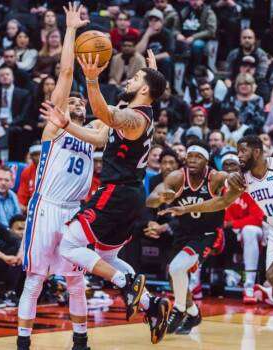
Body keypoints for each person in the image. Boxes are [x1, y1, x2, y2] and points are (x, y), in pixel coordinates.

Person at [46, 25, 170, 345]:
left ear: (144, 90)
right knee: (108, 257)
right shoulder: (137, 110)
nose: (128, 79)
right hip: (127, 196)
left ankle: (127, 286)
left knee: (69, 247)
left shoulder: (134, 118)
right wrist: (67, 125)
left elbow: (103, 113)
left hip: (116, 193)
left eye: (135, 79)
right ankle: (152, 304)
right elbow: (100, 135)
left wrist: (90, 78)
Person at [16, 6, 98, 350]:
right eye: (73, 102)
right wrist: (70, 32)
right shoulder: (55, 126)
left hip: (73, 211)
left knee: (76, 282)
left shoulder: (95, 130)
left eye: (81, 102)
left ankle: (80, 341)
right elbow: (66, 73)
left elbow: (123, 114)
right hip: (47, 208)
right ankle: (23, 342)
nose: (76, 103)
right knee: (35, 280)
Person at [162, 135, 273, 316]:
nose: (239, 156)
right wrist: (185, 209)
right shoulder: (244, 179)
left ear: (256, 152)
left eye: (243, 151)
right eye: (237, 151)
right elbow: (221, 202)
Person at [146, 140, 226, 335]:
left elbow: (230, 184)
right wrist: (161, 197)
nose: (192, 160)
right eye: (190, 156)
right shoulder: (177, 177)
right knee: (175, 276)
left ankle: (179, 309)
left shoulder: (214, 178)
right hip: (184, 233)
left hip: (208, 234)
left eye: (198, 157)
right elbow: (150, 201)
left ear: (207, 160)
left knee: (177, 268)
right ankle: (193, 312)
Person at [221, 153, 265, 304]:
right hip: (228, 232)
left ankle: (249, 286)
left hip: (254, 230)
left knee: (249, 231)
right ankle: (194, 285)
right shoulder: (218, 187)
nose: (229, 168)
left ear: (240, 168)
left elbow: (257, 218)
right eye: (225, 165)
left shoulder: (250, 186)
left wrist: (233, 224)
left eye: (232, 165)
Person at [0, 66, 33, 161]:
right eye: (2, 75)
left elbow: (24, 115)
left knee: (14, 133)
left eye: (7, 74)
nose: (5, 77)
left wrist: (9, 123)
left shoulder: (23, 94)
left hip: (15, 125)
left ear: (12, 77)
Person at [135, 8, 174, 83]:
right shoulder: (144, 32)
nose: (153, 23)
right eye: (151, 20)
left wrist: (152, 59)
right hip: (145, 61)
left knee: (167, 60)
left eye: (156, 20)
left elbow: (169, 53)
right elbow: (137, 52)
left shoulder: (167, 34)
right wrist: (147, 35)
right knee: (137, 59)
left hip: (160, 60)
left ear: (162, 22)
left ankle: (166, 84)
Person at [17, 144, 41, 212]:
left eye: (40, 154)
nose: (39, 157)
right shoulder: (26, 172)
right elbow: (22, 194)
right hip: (31, 209)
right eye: (35, 155)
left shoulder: (53, 169)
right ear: (31, 156)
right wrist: (22, 206)